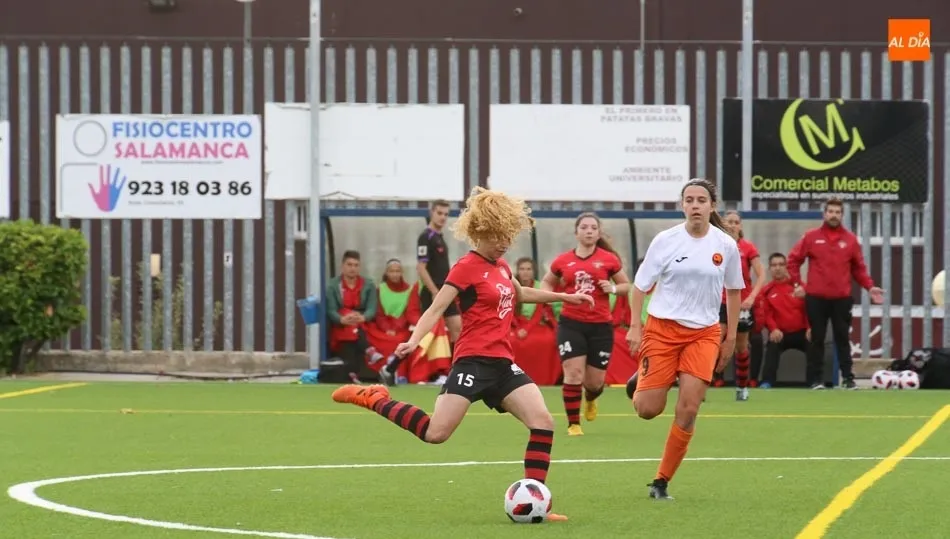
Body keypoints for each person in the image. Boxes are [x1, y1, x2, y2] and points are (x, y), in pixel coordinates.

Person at [331, 187, 594, 521]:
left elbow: (521, 294)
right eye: (498, 236)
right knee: (435, 433)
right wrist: (414, 340)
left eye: (508, 236)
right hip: (471, 362)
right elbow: (438, 307)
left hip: (503, 365)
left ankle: (537, 503)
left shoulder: (502, 267)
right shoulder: (465, 268)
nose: (505, 243)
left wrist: (565, 298)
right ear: (480, 231)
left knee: (542, 423)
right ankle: (375, 397)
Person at [625, 178, 744, 500]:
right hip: (662, 330)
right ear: (682, 206)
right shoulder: (666, 241)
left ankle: (661, 481)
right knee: (648, 410)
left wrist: (730, 337)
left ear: (711, 206)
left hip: (704, 334)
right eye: (689, 200)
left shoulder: (726, 245)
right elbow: (639, 287)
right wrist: (635, 326)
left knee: (689, 409)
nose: (695, 205)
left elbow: (734, 291)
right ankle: (640, 382)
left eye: (701, 200)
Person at [541, 212, 630, 436]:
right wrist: (549, 296)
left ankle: (590, 399)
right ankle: (573, 424)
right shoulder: (563, 261)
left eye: (593, 227)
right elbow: (547, 282)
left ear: (599, 232)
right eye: (584, 227)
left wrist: (612, 289)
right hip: (571, 323)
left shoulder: (609, 259)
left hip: (600, 326)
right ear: (576, 232)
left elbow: (626, 285)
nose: (589, 231)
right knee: (573, 374)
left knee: (594, 383)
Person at [786, 198, 884, 390]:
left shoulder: (850, 240)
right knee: (817, 339)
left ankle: (848, 378)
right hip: (816, 298)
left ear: (842, 215)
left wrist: (870, 287)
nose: (833, 215)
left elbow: (859, 269)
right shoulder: (811, 237)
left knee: (842, 339)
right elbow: (793, 260)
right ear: (824, 214)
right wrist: (798, 284)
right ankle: (816, 380)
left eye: (837, 212)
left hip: (841, 299)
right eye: (830, 211)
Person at [379, 200, 458, 385]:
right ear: (431, 212)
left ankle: (454, 374)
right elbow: (421, 268)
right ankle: (390, 367)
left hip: (445, 292)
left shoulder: (440, 237)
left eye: (446, 214)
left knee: (458, 330)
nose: (443, 217)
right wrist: (434, 291)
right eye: (440, 213)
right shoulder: (426, 237)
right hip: (434, 293)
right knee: (424, 335)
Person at [719, 210, 766, 401]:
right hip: (721, 302)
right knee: (714, 341)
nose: (732, 225)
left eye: (736, 222)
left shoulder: (748, 248)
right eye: (728, 221)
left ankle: (741, 387)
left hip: (742, 304)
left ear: (741, 226)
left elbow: (761, 274)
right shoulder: (716, 246)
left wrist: (752, 297)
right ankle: (702, 384)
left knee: (741, 347)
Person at [325, 250, 383, 382]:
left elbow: (372, 308)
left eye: (356, 265)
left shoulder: (368, 284)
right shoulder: (333, 285)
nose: (353, 268)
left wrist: (363, 317)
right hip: (342, 324)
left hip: (362, 323)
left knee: (352, 330)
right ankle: (369, 351)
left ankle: (352, 374)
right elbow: (331, 309)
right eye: (349, 265)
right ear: (342, 266)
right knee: (348, 326)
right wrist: (341, 319)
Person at [759, 253, 810, 388]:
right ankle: (767, 382)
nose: (778, 268)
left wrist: (810, 327)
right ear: (769, 269)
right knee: (773, 344)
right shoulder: (766, 291)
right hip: (781, 333)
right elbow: (767, 314)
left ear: (786, 267)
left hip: (802, 332)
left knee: (814, 343)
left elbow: (809, 309)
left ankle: (814, 381)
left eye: (781, 265)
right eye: (774, 265)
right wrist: (773, 329)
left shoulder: (799, 287)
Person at [510, 257, 562, 386]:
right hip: (514, 324)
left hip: (535, 325)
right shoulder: (511, 285)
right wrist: (517, 328)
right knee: (512, 341)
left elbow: (539, 312)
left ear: (533, 271)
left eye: (528, 269)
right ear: (517, 271)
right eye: (522, 269)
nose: (525, 272)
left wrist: (526, 329)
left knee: (547, 341)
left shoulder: (539, 287)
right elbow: (509, 310)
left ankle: (544, 380)